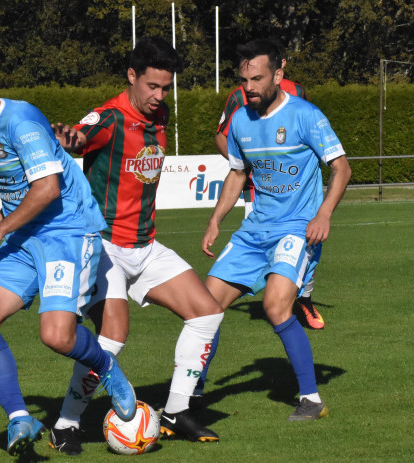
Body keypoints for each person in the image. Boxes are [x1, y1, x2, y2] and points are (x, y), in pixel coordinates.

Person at [0, 62, 137, 457]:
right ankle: (19, 416)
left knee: (56, 336)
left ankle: (108, 369)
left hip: (66, 235)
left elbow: (46, 190)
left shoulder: (21, 122)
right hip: (27, 237)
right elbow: (18, 193)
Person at [48, 36, 224, 455]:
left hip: (145, 246)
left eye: (166, 87)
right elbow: (78, 135)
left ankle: (177, 410)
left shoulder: (159, 116)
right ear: (131, 76)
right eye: (152, 86)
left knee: (207, 312)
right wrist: (67, 138)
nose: (159, 96)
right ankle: (66, 423)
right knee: (113, 336)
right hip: (105, 247)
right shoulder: (108, 118)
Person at [201, 39, 351, 421]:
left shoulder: (305, 115)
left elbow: (341, 168)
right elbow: (238, 173)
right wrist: (217, 220)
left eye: (257, 78)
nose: (248, 87)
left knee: (275, 305)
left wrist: (324, 215)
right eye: (244, 79)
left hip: (297, 229)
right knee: (204, 308)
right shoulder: (240, 120)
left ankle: (311, 399)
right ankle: (191, 391)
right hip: (255, 230)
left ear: (278, 75)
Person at [213, 50, 323, 331]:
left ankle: (303, 298)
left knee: (302, 252)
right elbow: (221, 135)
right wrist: (250, 161)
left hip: (298, 200)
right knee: (261, 244)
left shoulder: (298, 94)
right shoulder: (240, 96)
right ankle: (276, 297)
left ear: (280, 68)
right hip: (258, 191)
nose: (251, 85)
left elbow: (308, 137)